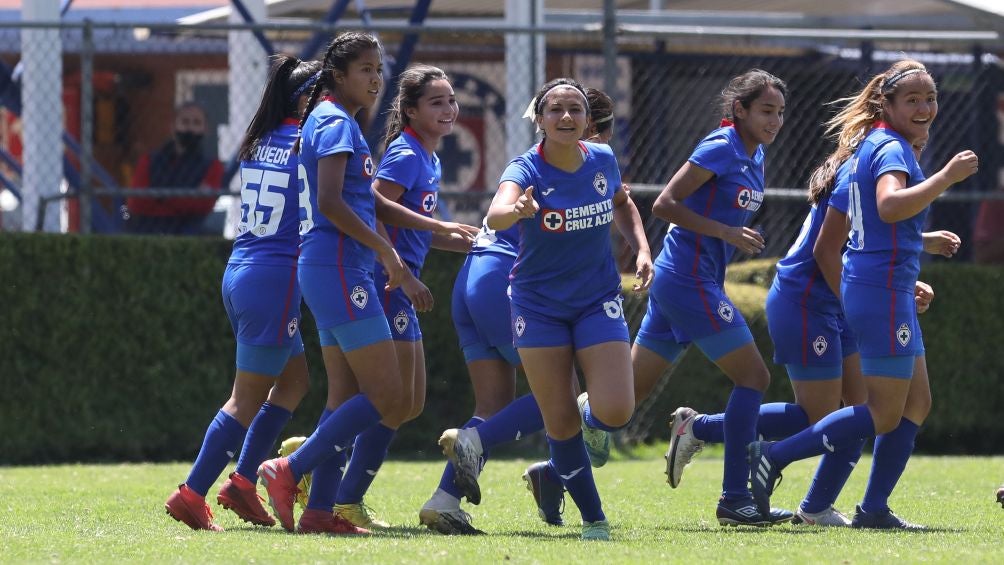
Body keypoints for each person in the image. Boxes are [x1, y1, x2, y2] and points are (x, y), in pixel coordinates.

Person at [254, 32, 474, 536]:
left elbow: (354, 201)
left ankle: (320, 510)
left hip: (338, 267)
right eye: (365, 70)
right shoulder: (333, 122)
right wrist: (388, 254)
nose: (375, 79)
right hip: (339, 267)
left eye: (379, 69)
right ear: (337, 75)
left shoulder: (340, 121)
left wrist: (436, 237)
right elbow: (333, 203)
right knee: (388, 396)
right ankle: (289, 469)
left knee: (347, 397)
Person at [748, 59, 978, 530]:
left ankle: (871, 509)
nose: (924, 107)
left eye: (930, 98)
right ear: (886, 104)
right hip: (877, 290)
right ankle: (774, 455)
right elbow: (888, 207)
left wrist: (917, 247)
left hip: (880, 285)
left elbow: (869, 229)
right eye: (912, 99)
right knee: (882, 411)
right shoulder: (891, 148)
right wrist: (946, 179)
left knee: (916, 403)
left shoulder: (874, 144)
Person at [442, 77, 649, 541]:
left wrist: (641, 248)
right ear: (540, 119)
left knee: (615, 410)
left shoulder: (602, 159)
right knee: (559, 421)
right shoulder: (525, 170)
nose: (566, 117)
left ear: (587, 120)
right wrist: (516, 211)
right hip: (537, 307)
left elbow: (622, 203)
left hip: (596, 300)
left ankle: (579, 424)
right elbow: (495, 213)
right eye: (555, 110)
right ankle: (595, 520)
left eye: (575, 109)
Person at [164, 56, 320, 531]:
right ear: (305, 99)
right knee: (245, 398)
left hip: (243, 269)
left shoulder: (259, 139)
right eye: (325, 92)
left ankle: (244, 483)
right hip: (273, 279)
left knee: (294, 383)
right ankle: (192, 492)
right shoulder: (309, 140)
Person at [324, 63, 478, 530]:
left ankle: (312, 460)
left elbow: (420, 230)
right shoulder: (407, 154)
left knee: (406, 403)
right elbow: (374, 206)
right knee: (395, 400)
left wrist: (479, 240)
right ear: (409, 110)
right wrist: (401, 271)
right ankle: (342, 496)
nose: (448, 109)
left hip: (397, 281)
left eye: (451, 100)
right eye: (436, 101)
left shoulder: (427, 157)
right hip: (385, 282)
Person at [127, 102, 223, 235]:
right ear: (173, 126)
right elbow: (136, 203)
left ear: (205, 129)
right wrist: (188, 196)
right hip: (148, 229)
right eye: (184, 122)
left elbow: (204, 204)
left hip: (190, 231)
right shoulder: (149, 160)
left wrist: (159, 195)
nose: (190, 128)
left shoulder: (213, 165)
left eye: (196, 123)